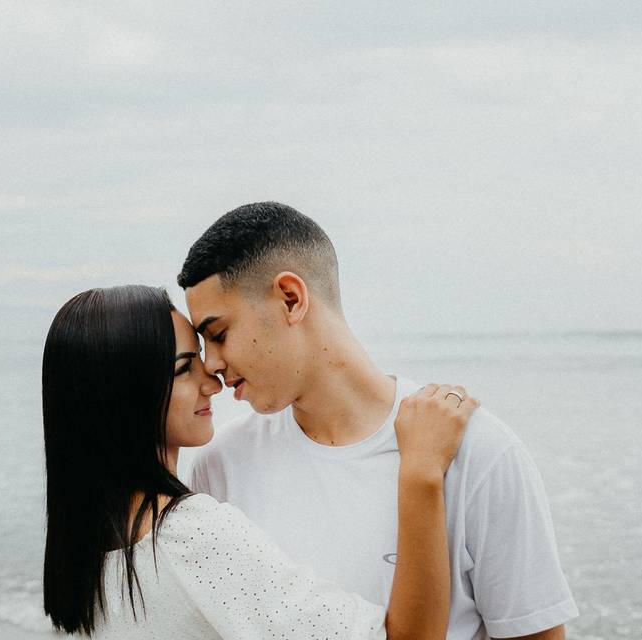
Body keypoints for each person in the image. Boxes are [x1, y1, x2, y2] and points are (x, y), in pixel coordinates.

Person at [179, 203, 579, 640]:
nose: (212, 364)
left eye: (218, 334)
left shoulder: (478, 450)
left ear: (291, 299)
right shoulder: (218, 468)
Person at [41, 284, 479, 638]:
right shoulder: (191, 537)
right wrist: (421, 471)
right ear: (123, 400)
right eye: (183, 368)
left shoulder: (82, 559)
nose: (212, 379)